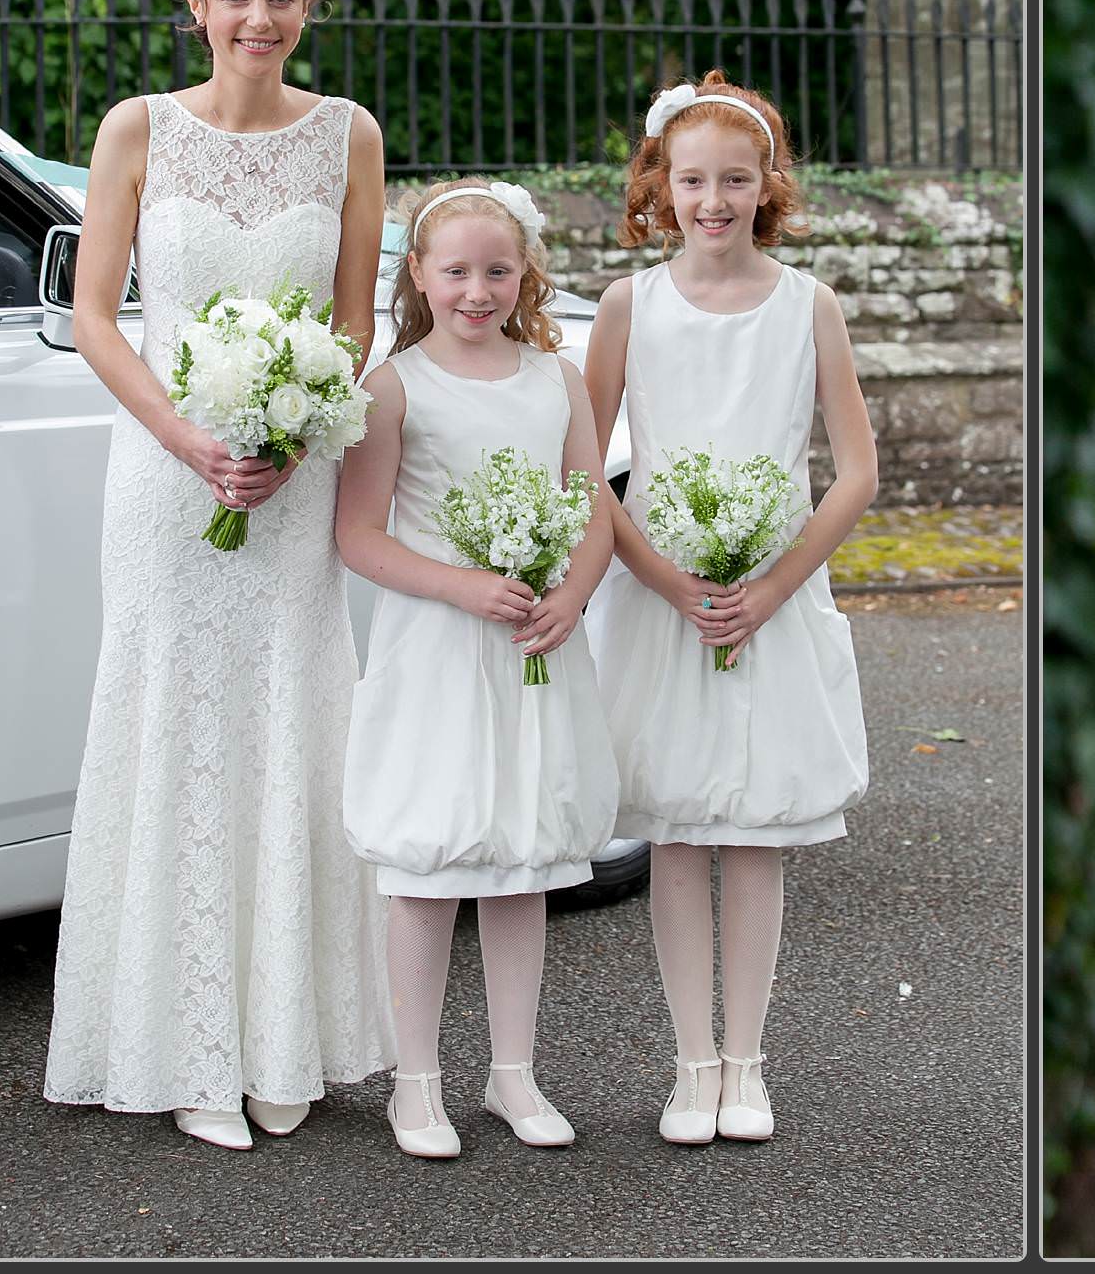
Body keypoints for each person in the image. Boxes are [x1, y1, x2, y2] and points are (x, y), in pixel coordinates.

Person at [44, 0, 395, 1149]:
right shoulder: (136, 129)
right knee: (175, 729)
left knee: (290, 725)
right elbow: (97, 314)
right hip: (163, 478)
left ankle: (284, 1041)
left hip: (288, 490)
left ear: (310, 9)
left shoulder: (349, 136)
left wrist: (298, 432)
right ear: (194, 4)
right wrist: (187, 438)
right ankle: (189, 1051)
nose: (259, 19)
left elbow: (357, 320)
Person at [583, 71, 876, 1146]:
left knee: (755, 833)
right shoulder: (629, 307)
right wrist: (667, 580)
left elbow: (853, 473)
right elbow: (586, 469)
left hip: (773, 598)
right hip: (668, 601)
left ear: (769, 186)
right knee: (673, 830)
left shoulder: (809, 306)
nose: (715, 200)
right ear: (661, 185)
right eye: (695, 180)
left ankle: (746, 1064)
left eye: (737, 180)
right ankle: (689, 1064)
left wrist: (770, 588)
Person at [335, 178, 621, 1158]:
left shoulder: (556, 378)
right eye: (455, 271)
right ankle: (416, 1087)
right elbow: (360, 537)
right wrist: (463, 587)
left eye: (496, 271)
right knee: (429, 864)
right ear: (419, 273)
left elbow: (590, 507)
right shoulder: (394, 386)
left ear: (524, 273)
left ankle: (513, 1075)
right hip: (439, 656)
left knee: (520, 867)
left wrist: (572, 595)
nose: (476, 290)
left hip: (533, 649)